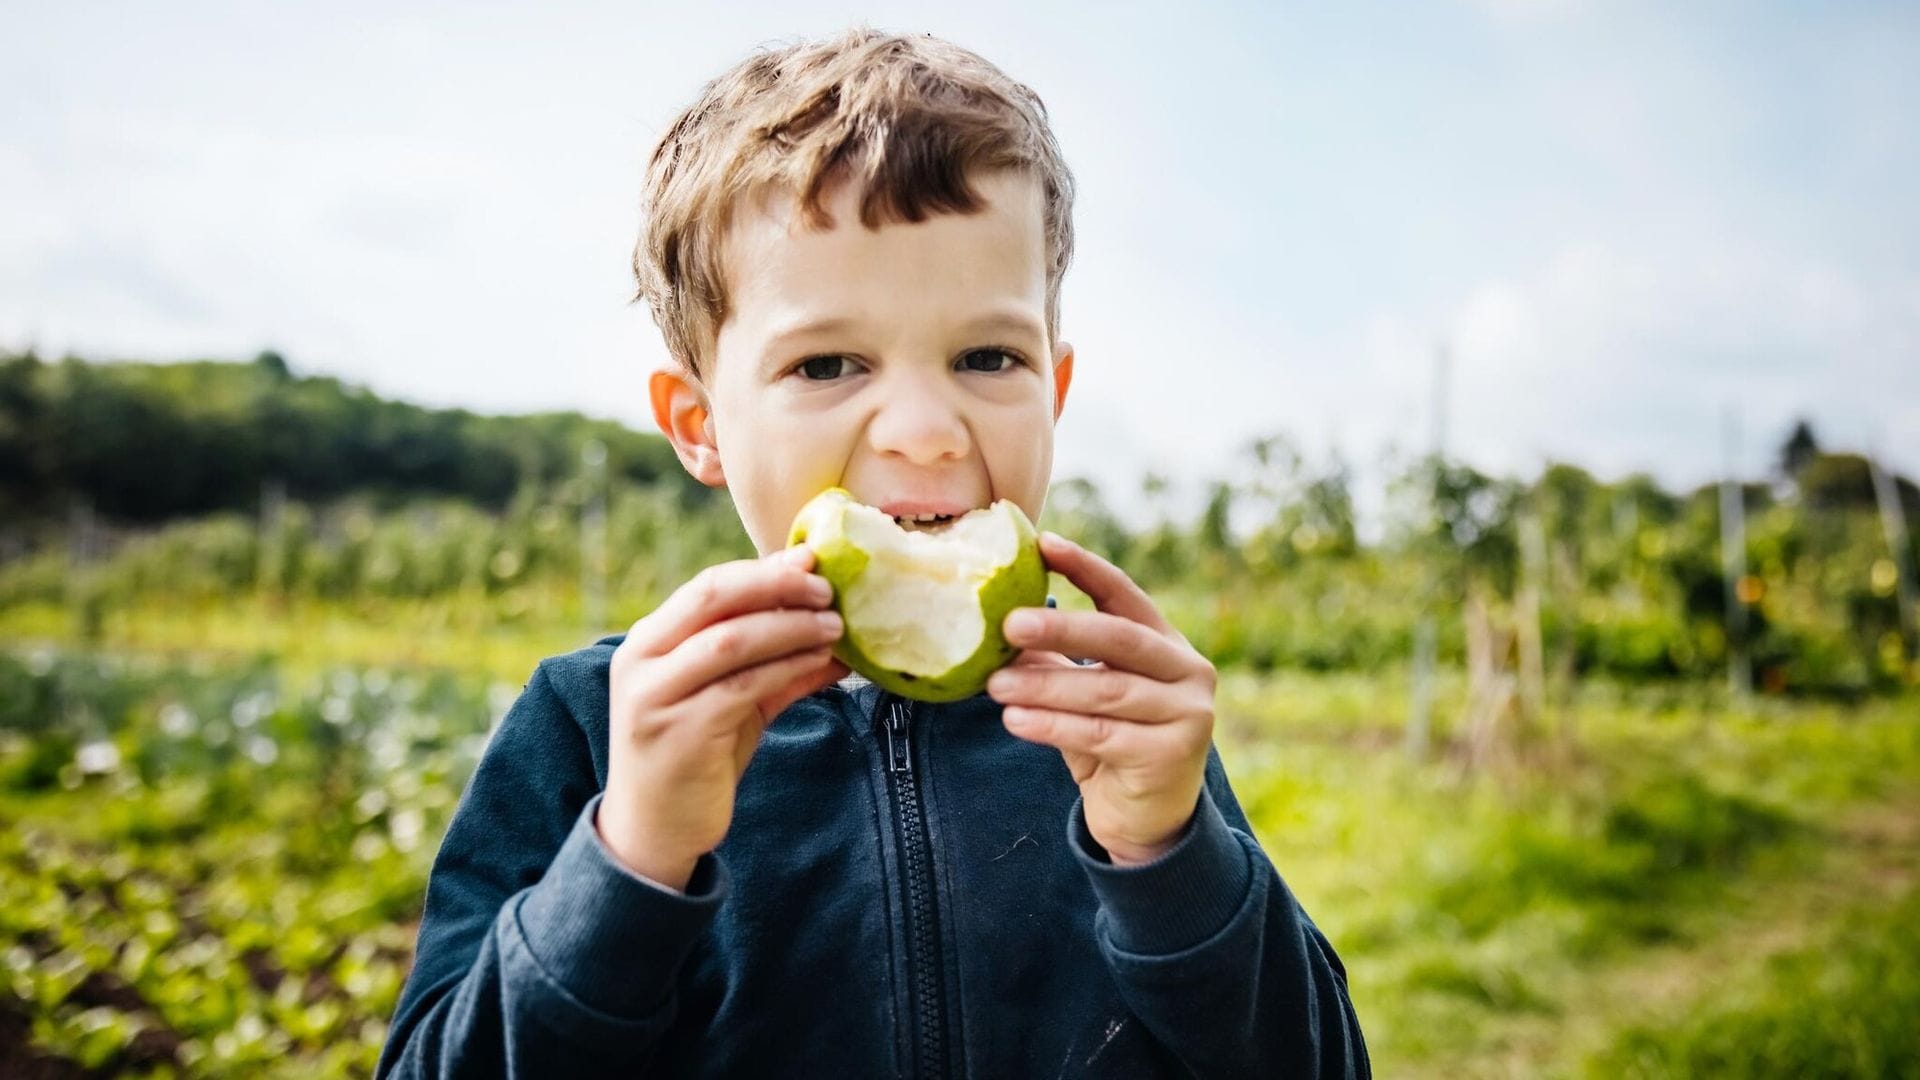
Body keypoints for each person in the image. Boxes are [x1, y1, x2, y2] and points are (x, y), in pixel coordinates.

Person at [377, 27, 1367, 1078]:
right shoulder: (595, 728)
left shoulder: (1107, 726)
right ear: (701, 423)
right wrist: (630, 859)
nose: (927, 429)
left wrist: (1172, 854)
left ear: (1055, 394)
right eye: (827, 363)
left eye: (988, 357)